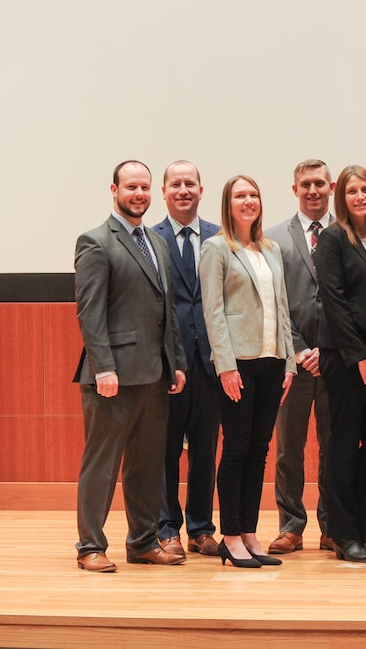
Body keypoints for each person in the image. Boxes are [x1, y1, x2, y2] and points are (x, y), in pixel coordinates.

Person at [73, 160, 188, 572]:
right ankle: (90, 546)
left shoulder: (156, 243)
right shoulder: (96, 241)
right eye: (130, 187)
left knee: (147, 464)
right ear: (114, 190)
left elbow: (167, 312)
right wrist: (104, 367)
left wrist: (174, 363)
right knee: (101, 465)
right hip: (113, 378)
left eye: (144, 187)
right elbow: (90, 313)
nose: (138, 194)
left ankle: (142, 542)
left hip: (155, 375)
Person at [201, 175, 296, 568]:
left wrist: (289, 361)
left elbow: (283, 308)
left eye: (254, 194)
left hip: (273, 362)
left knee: (259, 451)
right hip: (237, 364)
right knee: (237, 449)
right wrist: (225, 365)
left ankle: (250, 531)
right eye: (241, 195)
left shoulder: (271, 248)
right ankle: (230, 535)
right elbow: (214, 311)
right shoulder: (216, 248)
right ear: (228, 202)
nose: (249, 201)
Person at [316, 166, 366, 563]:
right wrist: (360, 356)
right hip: (346, 361)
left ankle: (364, 534)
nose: (361, 196)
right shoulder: (332, 239)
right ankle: (342, 534)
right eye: (353, 191)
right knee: (345, 446)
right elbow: (333, 302)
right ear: (341, 198)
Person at [151, 160, 222, 559]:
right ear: (164, 192)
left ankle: (200, 528)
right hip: (168, 363)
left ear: (200, 189)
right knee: (164, 449)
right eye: (175, 184)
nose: (183, 190)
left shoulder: (219, 236)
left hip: (211, 362)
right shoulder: (151, 237)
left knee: (204, 449)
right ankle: (166, 529)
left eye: (190, 183)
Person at [265, 159, 335, 554]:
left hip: (337, 362)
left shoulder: (346, 235)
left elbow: (352, 302)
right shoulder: (273, 238)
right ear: (294, 189)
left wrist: (328, 349)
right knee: (289, 448)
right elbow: (274, 303)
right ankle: (291, 525)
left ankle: (331, 525)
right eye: (305, 184)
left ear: (331, 187)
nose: (313, 191)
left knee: (334, 446)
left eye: (320, 184)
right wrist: (301, 349)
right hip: (291, 363)